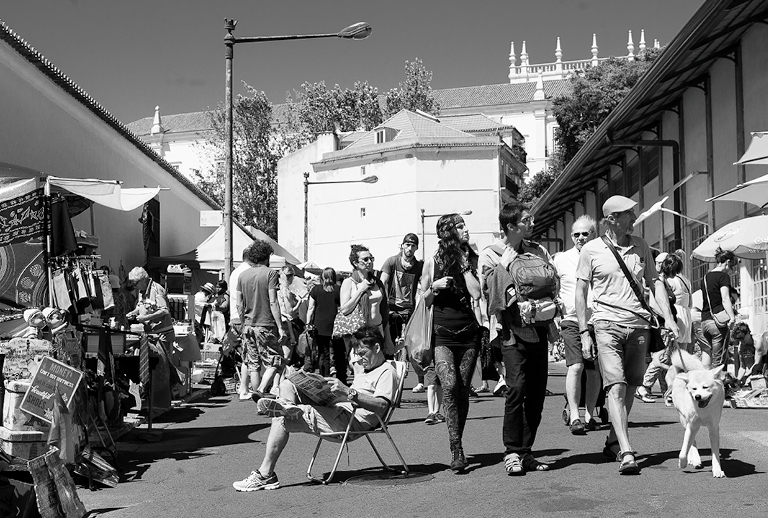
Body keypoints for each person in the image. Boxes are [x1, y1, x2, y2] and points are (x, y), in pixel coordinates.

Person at [576, 195, 678, 475]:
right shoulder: (591, 250)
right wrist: (585, 331)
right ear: (611, 219)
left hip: (640, 326)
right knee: (616, 386)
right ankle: (626, 450)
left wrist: (668, 318)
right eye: (629, 214)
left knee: (632, 385)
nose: (635, 218)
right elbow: (581, 291)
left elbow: (655, 283)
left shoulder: (641, 245)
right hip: (607, 325)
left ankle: (612, 440)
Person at [232, 325, 397, 492]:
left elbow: (382, 406)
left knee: (281, 418)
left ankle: (266, 474)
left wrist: (348, 392)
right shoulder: (365, 368)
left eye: (363, 354)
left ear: (377, 347)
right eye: (358, 354)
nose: (360, 359)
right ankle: (288, 406)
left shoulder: (386, 372)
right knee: (288, 384)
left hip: (349, 423)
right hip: (338, 409)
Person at [491, 204, 556, 475]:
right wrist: (503, 267)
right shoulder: (491, 253)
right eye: (525, 220)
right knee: (517, 389)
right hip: (511, 333)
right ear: (510, 227)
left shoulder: (538, 250)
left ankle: (526, 452)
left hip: (539, 329)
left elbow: (554, 282)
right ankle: (511, 452)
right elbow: (491, 297)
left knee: (537, 393)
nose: (532, 222)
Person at [419, 213, 483, 473]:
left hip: (469, 333)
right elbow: (424, 300)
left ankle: (459, 441)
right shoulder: (431, 263)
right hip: (442, 334)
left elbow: (476, 292)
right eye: (459, 226)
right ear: (448, 231)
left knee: (462, 392)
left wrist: (465, 264)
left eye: (464, 224)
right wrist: (434, 286)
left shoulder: (470, 258)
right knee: (449, 386)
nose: (465, 229)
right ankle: (456, 447)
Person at [553, 215, 601, 435]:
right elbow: (553, 287)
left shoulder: (602, 254)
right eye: (576, 234)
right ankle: (574, 415)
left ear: (594, 233)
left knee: (593, 369)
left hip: (598, 320)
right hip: (571, 320)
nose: (580, 237)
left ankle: (590, 413)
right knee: (576, 366)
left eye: (585, 233)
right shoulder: (561, 259)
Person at [636, 252, 692, 404]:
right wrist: (666, 321)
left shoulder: (665, 282)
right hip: (662, 324)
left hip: (668, 322)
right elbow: (654, 305)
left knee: (667, 358)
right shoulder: (658, 282)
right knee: (661, 357)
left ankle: (666, 391)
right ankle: (644, 386)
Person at [237, 240, 287, 402]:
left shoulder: (243, 275)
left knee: (253, 364)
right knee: (276, 359)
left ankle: (259, 400)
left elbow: (239, 303)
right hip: (265, 323)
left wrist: (243, 322)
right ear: (267, 256)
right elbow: (273, 301)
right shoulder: (270, 273)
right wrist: (280, 326)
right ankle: (260, 390)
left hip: (248, 325)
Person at [125, 266, 178, 408]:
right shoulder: (143, 292)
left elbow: (164, 310)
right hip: (150, 334)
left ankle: (163, 402)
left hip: (162, 335)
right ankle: (153, 400)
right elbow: (142, 306)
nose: (135, 287)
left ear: (143, 280)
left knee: (163, 368)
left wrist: (146, 317)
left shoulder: (156, 289)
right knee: (153, 368)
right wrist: (134, 312)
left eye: (136, 283)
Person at [380, 233, 425, 392]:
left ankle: (420, 380)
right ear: (402, 245)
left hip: (409, 310)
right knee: (390, 344)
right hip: (391, 309)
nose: (410, 248)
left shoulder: (419, 266)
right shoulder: (392, 262)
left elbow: (424, 284)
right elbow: (383, 281)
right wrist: (381, 302)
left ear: (416, 248)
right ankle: (389, 380)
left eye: (413, 245)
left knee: (411, 344)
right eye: (407, 245)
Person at [340, 245, 393, 365]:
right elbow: (344, 309)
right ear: (355, 263)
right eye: (365, 259)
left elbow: (384, 311)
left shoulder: (377, 282)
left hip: (377, 330)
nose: (369, 262)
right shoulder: (349, 282)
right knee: (359, 367)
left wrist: (388, 339)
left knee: (377, 366)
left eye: (371, 258)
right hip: (360, 333)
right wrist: (360, 290)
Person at [700, 248, 738, 369]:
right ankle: (719, 386)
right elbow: (725, 298)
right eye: (732, 266)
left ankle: (706, 384)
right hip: (717, 323)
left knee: (708, 358)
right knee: (719, 363)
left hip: (705, 322)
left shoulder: (706, 277)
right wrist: (732, 317)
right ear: (727, 262)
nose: (731, 269)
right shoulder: (723, 276)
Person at [306, 267, 345, 379]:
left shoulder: (315, 290)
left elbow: (311, 308)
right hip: (336, 325)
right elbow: (342, 307)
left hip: (320, 325)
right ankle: (341, 378)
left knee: (323, 353)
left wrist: (308, 323)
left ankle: (324, 377)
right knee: (339, 353)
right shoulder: (339, 289)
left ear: (322, 276)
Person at [231, 248, 256, 401]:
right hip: (243, 318)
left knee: (247, 355)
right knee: (249, 355)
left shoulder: (236, 271)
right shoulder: (248, 273)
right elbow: (245, 299)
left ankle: (244, 387)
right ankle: (245, 388)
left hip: (235, 317)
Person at [277, 266, 305, 366]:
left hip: (277, 322)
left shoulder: (276, 289)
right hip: (286, 323)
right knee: (286, 357)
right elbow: (290, 312)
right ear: (291, 277)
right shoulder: (286, 291)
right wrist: (299, 303)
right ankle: (280, 380)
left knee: (279, 355)